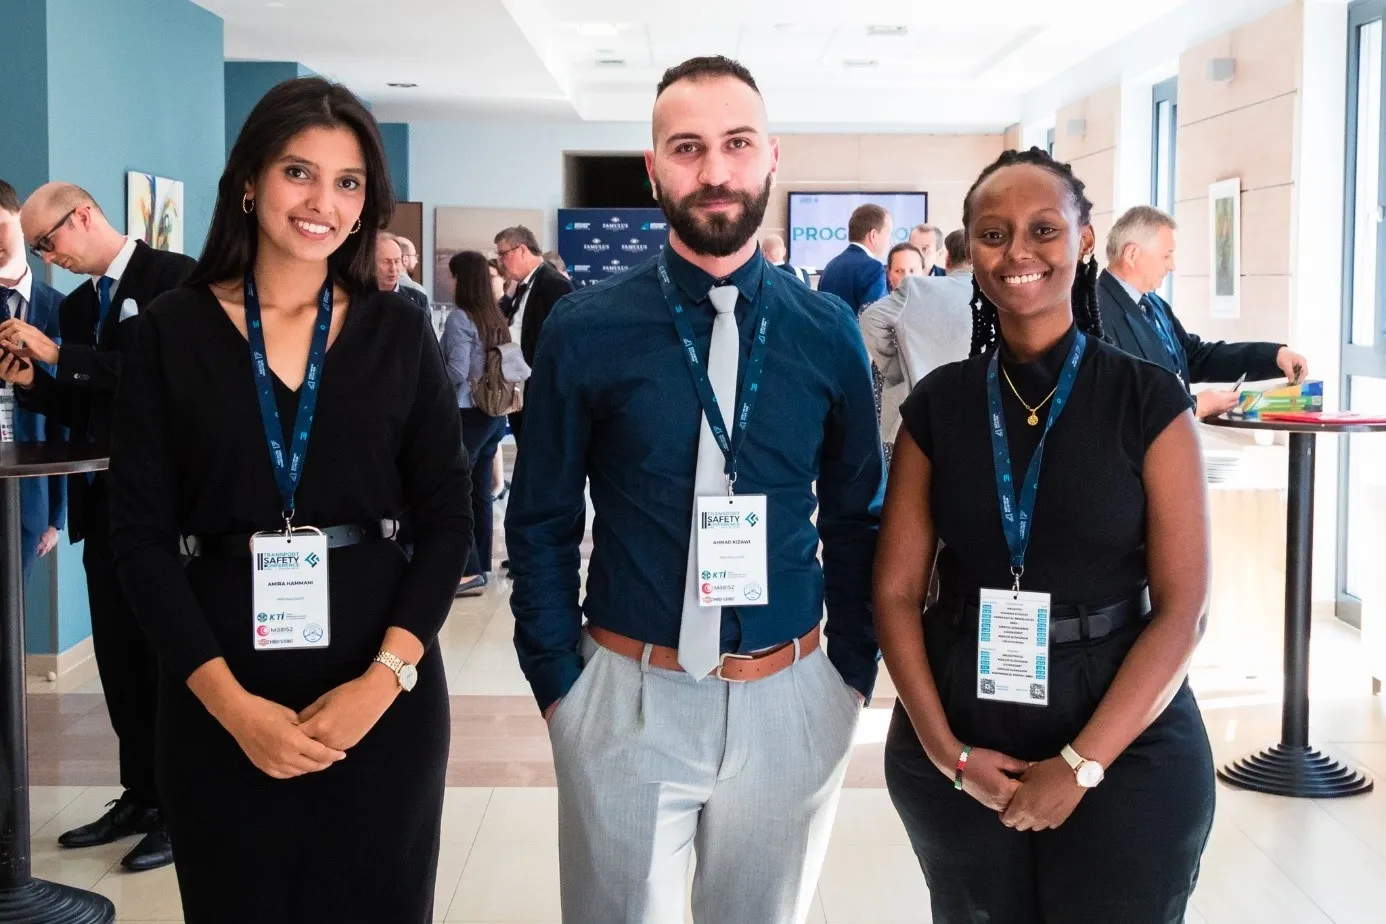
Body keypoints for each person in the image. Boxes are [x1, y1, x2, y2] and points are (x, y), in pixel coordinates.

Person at [507, 54, 882, 924]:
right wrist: (561, 687)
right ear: (654, 168)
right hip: (626, 696)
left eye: (737, 144)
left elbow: (861, 517)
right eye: (687, 148)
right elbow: (542, 521)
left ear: (772, 157)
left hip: (793, 697)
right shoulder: (586, 330)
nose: (714, 172)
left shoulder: (828, 333)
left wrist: (849, 679)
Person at [104, 77, 471, 923]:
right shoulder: (170, 329)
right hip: (219, 688)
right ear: (248, 181)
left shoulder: (395, 328)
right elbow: (140, 539)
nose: (323, 203)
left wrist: (385, 679)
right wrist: (234, 710)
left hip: (381, 686)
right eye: (298, 173)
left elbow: (448, 516)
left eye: (348, 183)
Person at [875, 147, 1215, 923]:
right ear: (970, 252)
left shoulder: (1147, 399)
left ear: (1085, 239)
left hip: (1125, 736)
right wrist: (945, 753)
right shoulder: (941, 405)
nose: (1018, 252)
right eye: (993, 235)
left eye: (1043, 229)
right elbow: (895, 592)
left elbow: (1186, 606)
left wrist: (1081, 765)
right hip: (963, 729)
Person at [0, 182, 194, 873]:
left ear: (83, 215)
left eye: (49, 241)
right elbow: (79, 398)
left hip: (171, 511)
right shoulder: (81, 307)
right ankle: (139, 795)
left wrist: (57, 355)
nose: (49, 259)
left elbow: (160, 377)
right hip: (103, 506)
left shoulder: (176, 280)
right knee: (119, 662)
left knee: (166, 662)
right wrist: (31, 378)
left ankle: (180, 810)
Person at [1098, 205, 1308, 418]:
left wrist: (1274, 356)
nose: (1172, 266)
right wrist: (1194, 406)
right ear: (1132, 254)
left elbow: (1196, 357)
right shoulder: (1095, 312)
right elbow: (1116, 399)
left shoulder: (1154, 305)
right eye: (1166, 256)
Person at [441, 250, 523, 597]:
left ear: (463, 280)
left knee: (455, 487)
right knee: (479, 491)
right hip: (493, 414)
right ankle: (482, 566)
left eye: (453, 275)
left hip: (467, 411)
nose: (449, 281)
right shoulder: (494, 316)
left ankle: (468, 570)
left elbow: (457, 371)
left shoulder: (461, 318)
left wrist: (430, 387)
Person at [860, 230, 974, 462]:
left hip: (914, 416)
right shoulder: (998, 296)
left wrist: (896, 364)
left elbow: (870, 319)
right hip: (978, 418)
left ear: (947, 258)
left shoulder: (918, 290)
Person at [0, 179, 66, 574]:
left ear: (20, 218)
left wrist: (58, 516)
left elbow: (67, 417)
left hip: (31, 501)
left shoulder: (63, 310)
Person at [493, 225, 573, 446]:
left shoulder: (554, 284)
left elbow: (567, 342)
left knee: (542, 455)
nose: (500, 261)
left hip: (542, 392)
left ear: (521, 250)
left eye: (503, 254)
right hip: (520, 389)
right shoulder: (523, 285)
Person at [817, 203, 891, 314]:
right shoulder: (873, 268)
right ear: (873, 235)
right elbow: (875, 321)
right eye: (888, 233)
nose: (891, 241)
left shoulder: (830, 266)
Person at [376, 231, 430, 313]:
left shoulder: (418, 299)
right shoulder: (360, 299)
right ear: (372, 263)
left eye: (397, 261)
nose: (393, 268)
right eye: (386, 262)